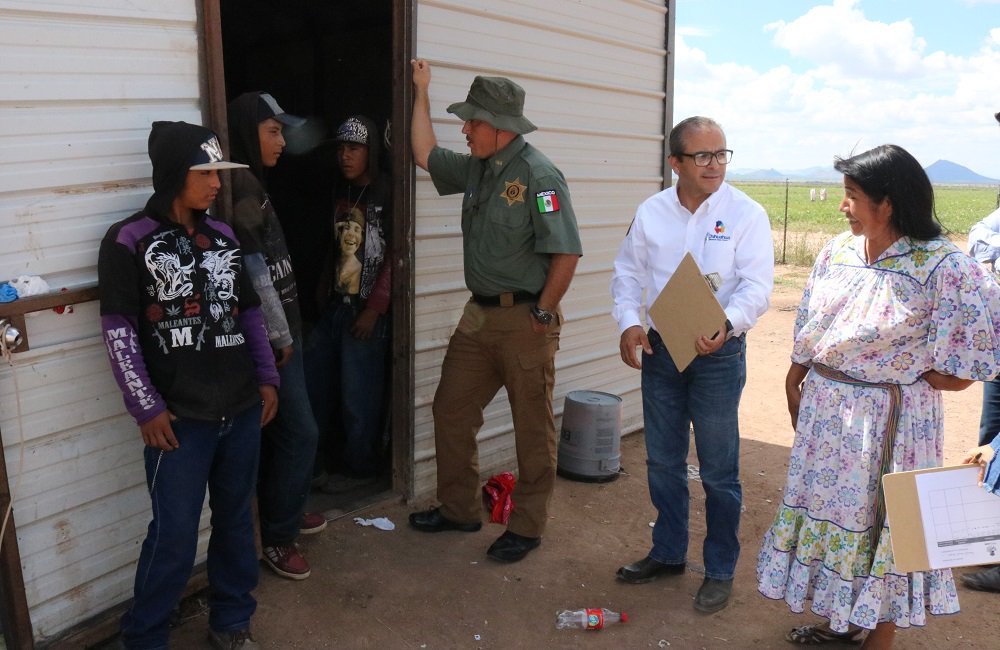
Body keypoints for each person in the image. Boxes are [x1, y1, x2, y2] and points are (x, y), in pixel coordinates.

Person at [756, 144, 1000, 647]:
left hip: (889, 425)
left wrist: (917, 374)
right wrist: (795, 377)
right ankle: (845, 619)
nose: (842, 205)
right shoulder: (837, 252)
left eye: (851, 195)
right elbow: (811, 322)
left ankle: (879, 636)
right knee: (836, 517)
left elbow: (966, 362)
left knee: (884, 526)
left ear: (886, 202)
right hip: (827, 420)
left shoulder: (941, 266)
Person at [98, 121, 279, 650]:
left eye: (219, 173)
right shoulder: (128, 241)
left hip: (241, 410)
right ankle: (145, 638)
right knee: (174, 537)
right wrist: (145, 407)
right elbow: (119, 333)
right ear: (176, 175)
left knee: (235, 523)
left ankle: (231, 621)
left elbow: (248, 313)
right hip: (178, 422)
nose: (217, 184)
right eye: (206, 173)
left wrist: (267, 377)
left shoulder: (221, 237)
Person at [407, 59, 582, 563]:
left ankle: (527, 525)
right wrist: (422, 90)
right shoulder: (478, 168)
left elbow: (566, 252)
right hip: (478, 316)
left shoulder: (541, 177)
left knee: (531, 426)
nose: (465, 129)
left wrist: (544, 314)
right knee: (451, 409)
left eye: (473, 121)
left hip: (525, 318)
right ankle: (459, 509)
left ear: (501, 128)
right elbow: (423, 152)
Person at [610, 116, 774, 613]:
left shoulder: (746, 213)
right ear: (675, 162)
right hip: (662, 351)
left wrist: (727, 323)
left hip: (718, 353)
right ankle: (668, 553)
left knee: (719, 470)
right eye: (702, 156)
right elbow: (627, 271)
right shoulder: (652, 211)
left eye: (722, 154)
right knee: (662, 460)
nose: (715, 165)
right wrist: (627, 322)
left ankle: (720, 569)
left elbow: (757, 287)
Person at [227, 91, 326, 582]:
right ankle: (279, 536)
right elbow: (254, 273)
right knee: (300, 432)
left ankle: (286, 508)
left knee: (290, 432)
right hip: (274, 342)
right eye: (272, 131)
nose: (282, 141)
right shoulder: (241, 188)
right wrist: (280, 338)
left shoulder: (255, 182)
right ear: (249, 132)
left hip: (286, 334)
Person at [306, 115, 392, 493]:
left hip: (365, 310)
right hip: (336, 305)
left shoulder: (387, 192)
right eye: (341, 148)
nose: (346, 155)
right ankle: (322, 464)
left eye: (354, 147)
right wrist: (323, 285)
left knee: (360, 396)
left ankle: (360, 472)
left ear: (371, 152)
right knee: (318, 387)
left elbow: (397, 254)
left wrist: (376, 307)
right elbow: (335, 244)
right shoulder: (339, 190)